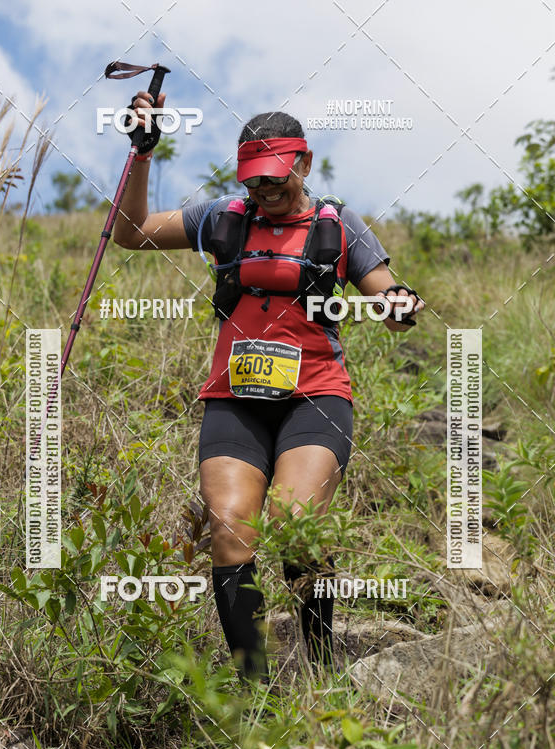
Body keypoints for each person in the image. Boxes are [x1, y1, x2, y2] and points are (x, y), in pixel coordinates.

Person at [113, 90, 425, 683]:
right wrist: (141, 153)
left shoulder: (339, 224)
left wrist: (397, 304)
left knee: (293, 521)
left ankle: (322, 662)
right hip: (233, 399)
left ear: (304, 164)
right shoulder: (222, 218)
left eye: (277, 178)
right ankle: (255, 691)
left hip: (316, 395)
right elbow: (131, 232)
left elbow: (386, 292)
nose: (266, 191)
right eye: (255, 181)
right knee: (230, 529)